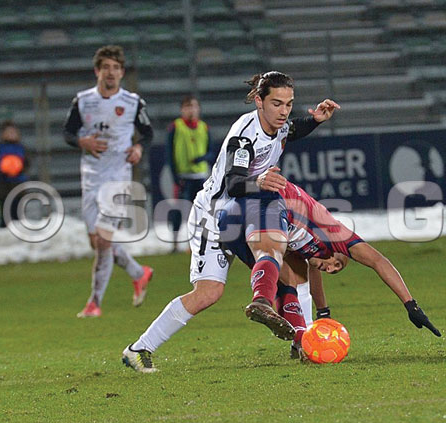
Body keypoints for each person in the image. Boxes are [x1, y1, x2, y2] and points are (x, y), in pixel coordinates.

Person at [122, 71, 339, 372]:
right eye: (277, 103)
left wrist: (314, 120)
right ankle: (139, 348)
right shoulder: (245, 136)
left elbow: (290, 130)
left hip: (243, 210)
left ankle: (301, 338)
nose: (284, 111)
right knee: (209, 293)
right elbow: (235, 183)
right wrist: (260, 180)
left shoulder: (277, 124)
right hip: (213, 216)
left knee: (287, 262)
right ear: (259, 101)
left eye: (289, 104)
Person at [222, 180, 442, 359]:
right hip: (264, 199)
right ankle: (262, 302)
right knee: (275, 259)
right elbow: (378, 261)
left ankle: (300, 341)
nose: (331, 268)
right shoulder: (337, 235)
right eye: (337, 263)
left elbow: (313, 271)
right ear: (341, 251)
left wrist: (323, 311)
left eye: (335, 271)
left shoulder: (314, 254)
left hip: (230, 222)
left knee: (287, 278)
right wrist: (410, 304)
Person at [63, 45, 155, 318]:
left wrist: (138, 148)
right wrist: (82, 141)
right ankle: (139, 272)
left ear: (122, 72)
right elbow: (67, 132)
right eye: (106, 67)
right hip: (91, 177)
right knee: (97, 241)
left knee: (103, 241)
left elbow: (148, 133)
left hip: (118, 178)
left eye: (116, 68)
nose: (111, 73)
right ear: (97, 71)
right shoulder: (82, 101)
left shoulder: (132, 102)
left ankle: (94, 303)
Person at [166, 96, 217, 250]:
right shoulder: (176, 127)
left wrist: (202, 158)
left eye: (194, 106)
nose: (191, 110)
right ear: (182, 109)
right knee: (179, 210)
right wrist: (175, 176)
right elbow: (169, 153)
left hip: (201, 176)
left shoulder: (204, 127)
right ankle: (175, 243)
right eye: (188, 107)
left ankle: (198, 242)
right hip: (183, 176)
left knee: (202, 211)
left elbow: (211, 152)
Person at [0, 121, 29, 227]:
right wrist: (1, 172)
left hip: (18, 185)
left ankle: (19, 236)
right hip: (2, 187)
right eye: (8, 132)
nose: (11, 134)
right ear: (3, 134)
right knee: (5, 214)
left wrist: (19, 170)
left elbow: (27, 164)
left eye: (13, 132)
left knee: (18, 213)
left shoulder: (21, 148)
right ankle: (5, 235)